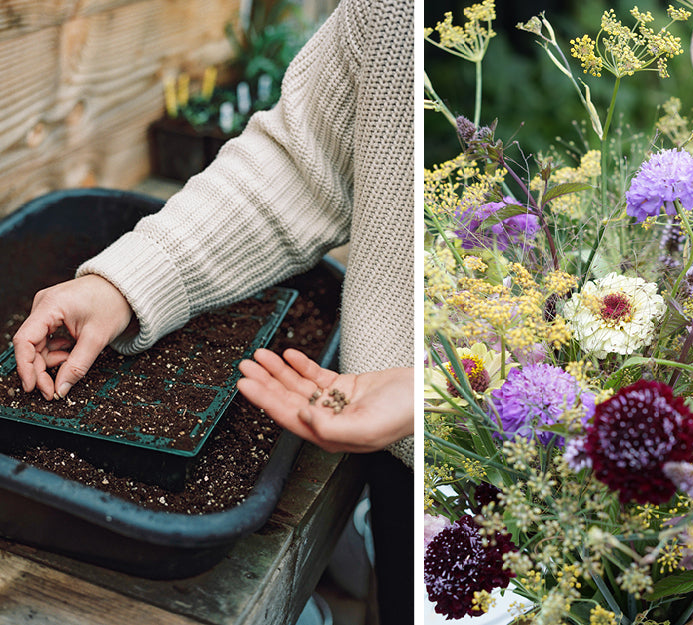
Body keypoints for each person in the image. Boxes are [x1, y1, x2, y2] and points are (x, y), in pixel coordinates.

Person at [11, 0, 414, 622]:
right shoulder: (388, 14)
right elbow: (298, 166)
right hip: (397, 468)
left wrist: (437, 389)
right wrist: (123, 285)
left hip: (521, 454)